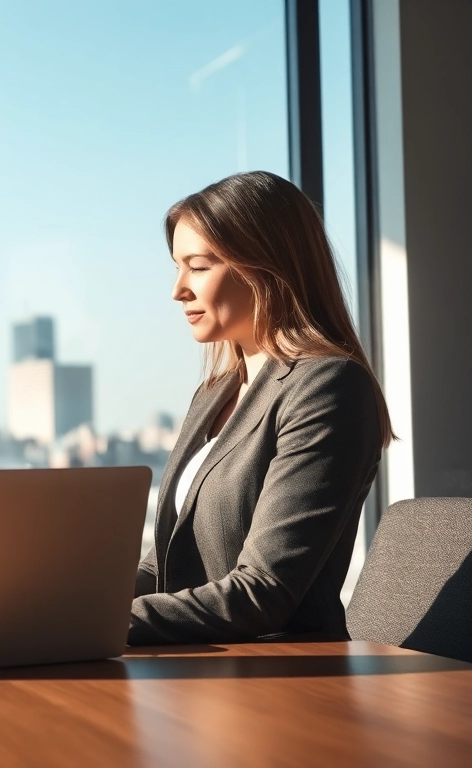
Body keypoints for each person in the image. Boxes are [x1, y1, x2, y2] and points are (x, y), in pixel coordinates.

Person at [130, 170, 392, 645]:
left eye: (199, 267)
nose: (178, 289)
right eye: (177, 267)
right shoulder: (213, 394)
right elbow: (167, 564)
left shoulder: (328, 387)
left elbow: (264, 591)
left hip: (281, 671)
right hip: (195, 664)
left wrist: (102, 621)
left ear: (265, 268)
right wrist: (69, 605)